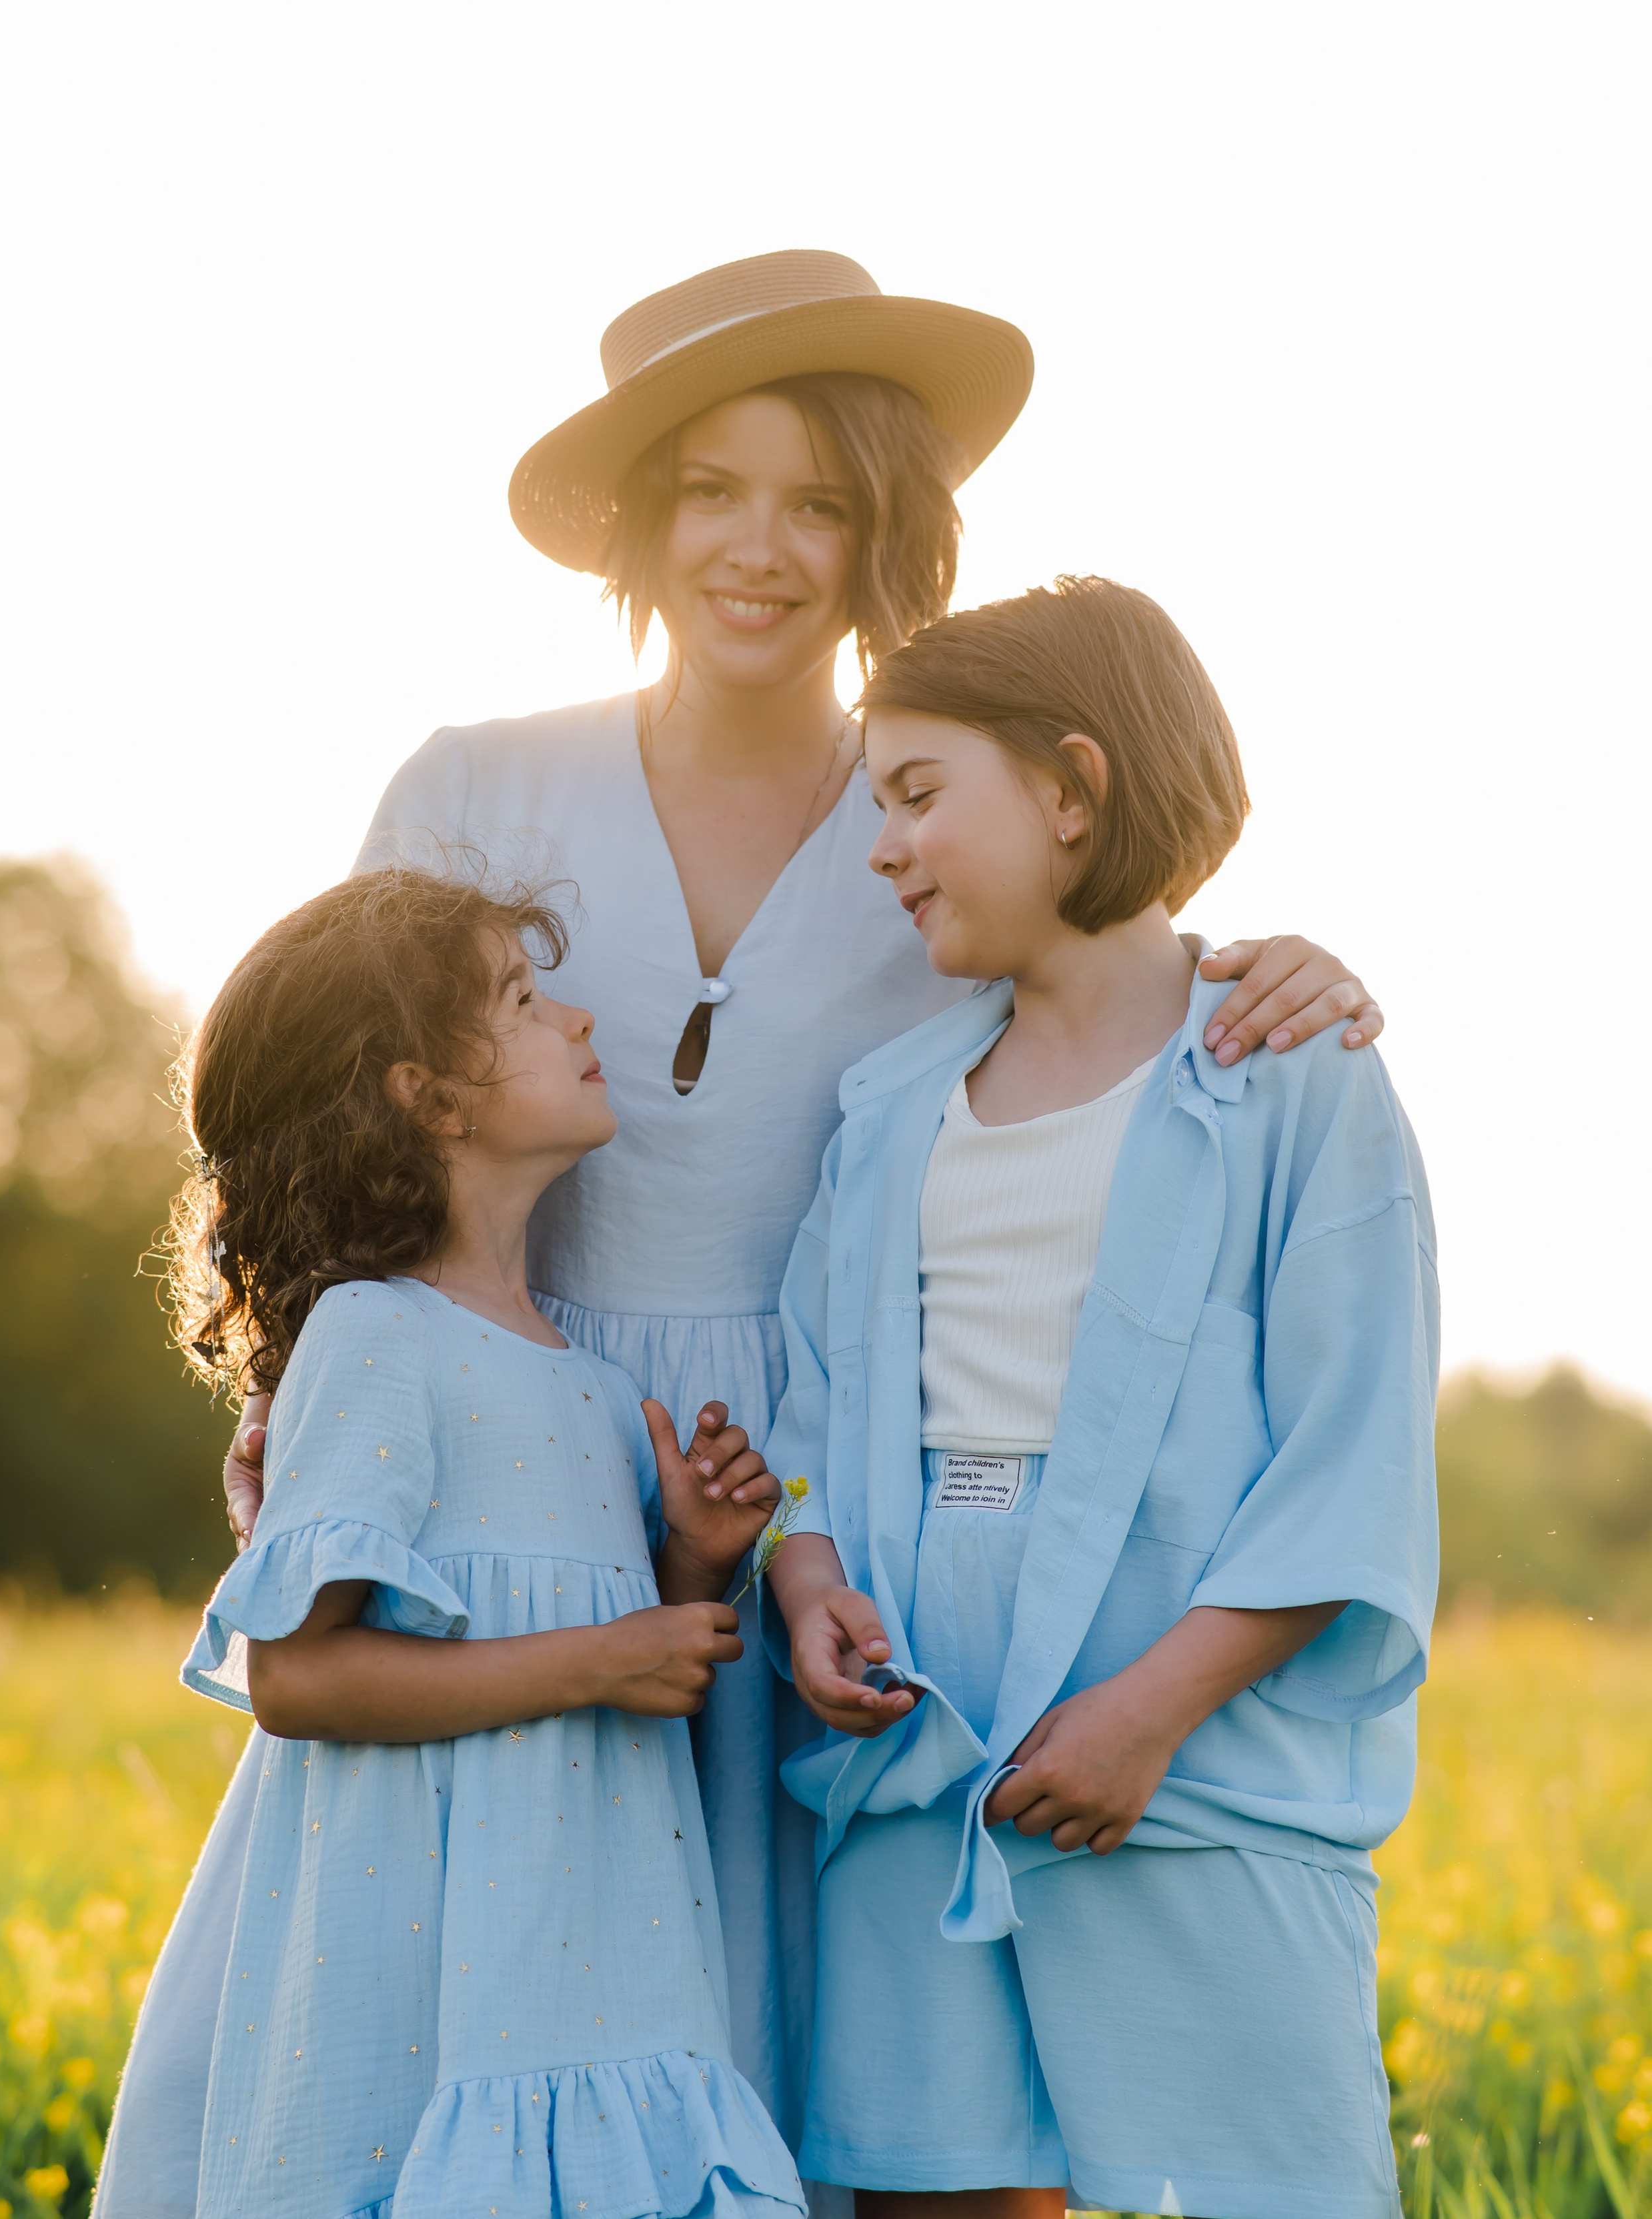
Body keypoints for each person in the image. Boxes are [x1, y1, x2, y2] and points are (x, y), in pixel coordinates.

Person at [100, 249, 1386, 2214]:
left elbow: (1100, 973)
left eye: (824, 502)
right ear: (639, 520)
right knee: (498, 1994)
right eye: (712, 488)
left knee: (860, 2057)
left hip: (798, 1494)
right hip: (507, 1469)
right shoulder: (474, 786)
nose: (764, 547)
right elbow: (331, 1105)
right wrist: (292, 1395)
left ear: (892, 535)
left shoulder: (927, 811)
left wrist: (1275, 958)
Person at [764, 576, 1437, 2219]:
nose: (882, 846)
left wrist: (1146, 1713)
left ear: (1070, 788)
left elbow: (1349, 1452)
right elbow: (809, 1416)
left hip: (1191, 1760)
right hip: (921, 1755)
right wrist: (806, 1583)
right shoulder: (887, 1109)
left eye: (918, 796)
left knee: (1261, 2184)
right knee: (933, 2185)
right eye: (875, 806)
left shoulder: (1293, 1077)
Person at [105, 864, 806, 2219]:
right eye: (526, 1001)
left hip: (592, 1960)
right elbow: (301, 1677)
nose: (581, 1020)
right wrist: (607, 1650)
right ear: (423, 1093)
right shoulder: (377, 1336)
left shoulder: (592, 1382)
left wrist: (693, 1571)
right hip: (441, 1980)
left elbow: (606, 1657)